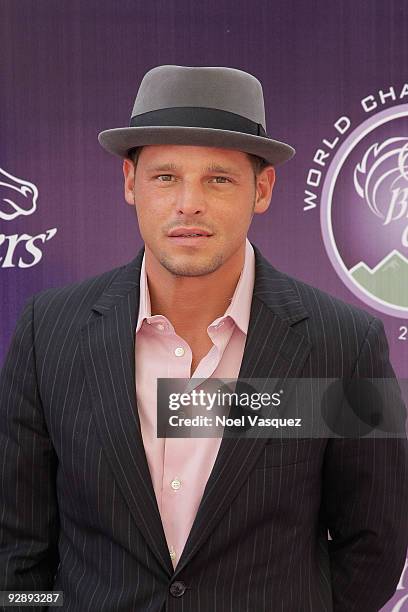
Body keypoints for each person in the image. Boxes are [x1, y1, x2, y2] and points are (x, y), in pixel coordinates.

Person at [0, 64, 407, 612]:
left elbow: (375, 544)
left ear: (261, 189)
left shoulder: (345, 345)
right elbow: (16, 546)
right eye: (166, 176)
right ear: (130, 183)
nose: (188, 202)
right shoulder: (48, 331)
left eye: (218, 178)